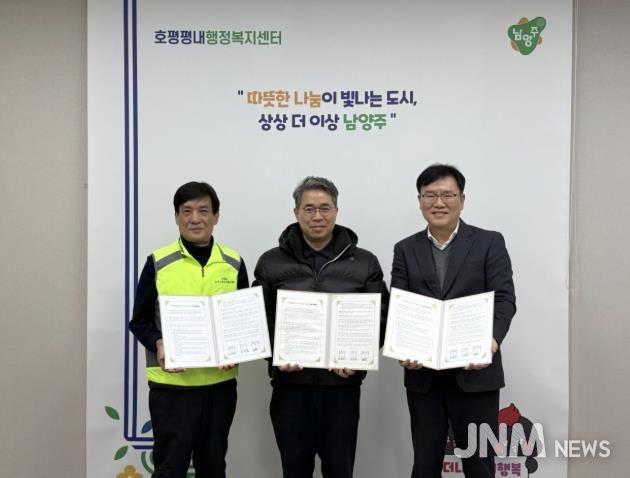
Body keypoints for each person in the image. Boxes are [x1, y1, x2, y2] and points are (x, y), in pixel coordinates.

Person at [253, 176, 389, 478]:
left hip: (341, 390)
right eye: (309, 208)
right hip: (290, 388)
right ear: (296, 212)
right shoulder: (271, 262)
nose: (318, 216)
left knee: (340, 470)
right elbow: (257, 318)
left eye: (325, 208)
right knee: (294, 470)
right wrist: (275, 355)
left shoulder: (365, 262)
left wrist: (357, 359)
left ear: (336, 211)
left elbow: (381, 317)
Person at [391, 164, 516, 478]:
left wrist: (491, 341)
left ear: (462, 199)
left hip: (475, 375)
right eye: (430, 195)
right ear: (419, 200)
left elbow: (504, 299)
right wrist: (403, 348)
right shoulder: (405, 249)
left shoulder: (489, 242)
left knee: (479, 465)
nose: (439, 202)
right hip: (424, 377)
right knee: (425, 465)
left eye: (447, 195)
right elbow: (400, 306)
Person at [129, 181, 248, 478]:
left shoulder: (233, 263)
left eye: (203, 211)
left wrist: (237, 348)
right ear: (176, 217)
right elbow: (139, 321)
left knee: (214, 467)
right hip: (172, 389)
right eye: (187, 211)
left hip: (219, 388)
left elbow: (244, 322)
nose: (195, 219)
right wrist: (158, 342)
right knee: (170, 468)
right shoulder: (158, 263)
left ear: (216, 216)